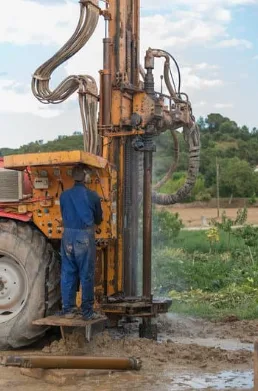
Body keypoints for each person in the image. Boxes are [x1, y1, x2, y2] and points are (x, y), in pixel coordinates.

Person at [58, 163, 103, 320]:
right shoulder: (93, 196)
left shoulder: (63, 196)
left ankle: (68, 310)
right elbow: (99, 218)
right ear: (85, 177)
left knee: (68, 272)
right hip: (84, 237)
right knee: (86, 274)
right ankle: (87, 312)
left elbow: (63, 215)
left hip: (67, 237)